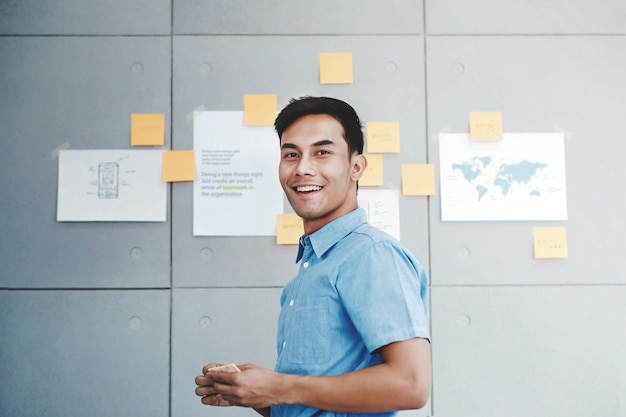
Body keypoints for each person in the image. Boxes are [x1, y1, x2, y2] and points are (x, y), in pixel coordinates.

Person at [195, 96, 431, 417]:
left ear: (356, 167)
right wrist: (255, 392)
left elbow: (411, 385)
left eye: (322, 152)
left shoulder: (372, 254)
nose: (303, 168)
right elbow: (314, 403)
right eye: (291, 154)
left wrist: (277, 386)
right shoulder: (307, 271)